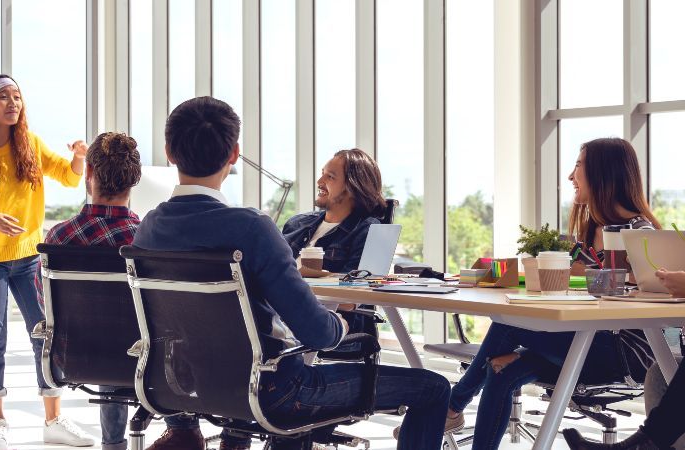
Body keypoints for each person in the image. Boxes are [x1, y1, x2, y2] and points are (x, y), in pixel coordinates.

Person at [132, 96, 451, 450]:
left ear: (168, 151)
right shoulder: (251, 228)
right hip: (272, 391)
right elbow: (318, 334)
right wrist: (341, 324)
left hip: (185, 386)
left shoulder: (149, 228)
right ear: (234, 153)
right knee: (434, 388)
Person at [444, 137, 661, 450]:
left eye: (577, 166)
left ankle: (453, 405)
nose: (570, 177)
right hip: (586, 340)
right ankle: (458, 415)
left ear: (602, 173)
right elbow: (551, 279)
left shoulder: (640, 233)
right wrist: (481, 275)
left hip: (622, 353)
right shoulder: (589, 232)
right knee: (500, 368)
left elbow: (640, 298)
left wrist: (598, 278)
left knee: (510, 321)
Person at [0, 74, 94, 449]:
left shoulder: (29, 143)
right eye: (3, 97)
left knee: (45, 334)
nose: (13, 103)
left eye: (17, 96)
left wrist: (79, 157)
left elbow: (67, 175)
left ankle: (53, 420)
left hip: (29, 258)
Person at [38, 132, 143, 450]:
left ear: (88, 173)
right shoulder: (145, 240)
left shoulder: (57, 238)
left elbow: (45, 301)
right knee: (126, 338)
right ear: (134, 181)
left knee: (104, 336)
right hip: (138, 359)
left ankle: (113, 443)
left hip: (76, 357)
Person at [563, 268, 685, 450]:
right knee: (660, 373)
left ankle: (646, 443)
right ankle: (647, 443)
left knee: (515, 337)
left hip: (629, 348)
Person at [282, 148, 386, 273]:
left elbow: (354, 286)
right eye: (322, 174)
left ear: (353, 187)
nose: (319, 182)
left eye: (330, 177)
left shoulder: (368, 232)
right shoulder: (296, 223)